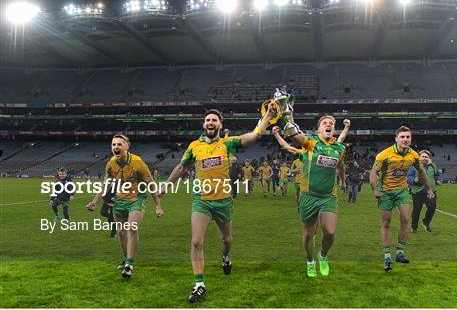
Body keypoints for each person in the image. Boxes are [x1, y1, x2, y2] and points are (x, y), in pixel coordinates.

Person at [163, 108, 274, 302]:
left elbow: (255, 135)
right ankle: (199, 284)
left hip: (223, 201)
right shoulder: (194, 146)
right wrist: (166, 185)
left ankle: (226, 256)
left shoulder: (227, 143)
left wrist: (268, 116)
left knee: (227, 240)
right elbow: (181, 167)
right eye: (207, 120)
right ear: (204, 124)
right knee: (196, 241)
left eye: (214, 120)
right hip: (201, 200)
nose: (210, 122)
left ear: (220, 125)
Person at [86, 135, 164, 278]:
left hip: (137, 199)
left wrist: (158, 206)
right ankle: (126, 259)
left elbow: (151, 184)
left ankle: (129, 264)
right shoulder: (111, 163)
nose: (116, 147)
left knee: (131, 227)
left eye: (119, 144)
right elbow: (106, 184)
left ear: (127, 147)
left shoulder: (137, 162)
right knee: (121, 232)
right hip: (120, 200)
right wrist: (94, 202)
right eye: (113, 144)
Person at [284, 115, 346, 278]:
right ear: (318, 129)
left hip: (328, 196)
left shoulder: (339, 148)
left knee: (330, 232)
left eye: (332, 123)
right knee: (308, 234)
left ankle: (323, 255)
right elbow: (293, 134)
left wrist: (343, 180)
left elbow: (340, 165)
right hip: (308, 196)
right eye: (325, 123)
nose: (329, 125)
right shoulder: (309, 143)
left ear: (334, 129)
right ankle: (310, 260)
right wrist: (287, 116)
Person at [369, 126, 434, 272]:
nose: (405, 139)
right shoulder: (384, 155)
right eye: (402, 137)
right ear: (396, 139)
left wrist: (429, 188)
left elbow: (422, 172)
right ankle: (387, 256)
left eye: (408, 137)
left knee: (406, 219)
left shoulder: (414, 155)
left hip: (402, 191)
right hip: (385, 192)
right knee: (386, 223)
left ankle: (400, 252)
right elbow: (373, 172)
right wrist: (375, 189)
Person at [408, 150, 441, 233]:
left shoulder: (433, 166)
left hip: (431, 192)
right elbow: (409, 176)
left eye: (426, 157)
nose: (424, 158)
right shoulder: (414, 166)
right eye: (422, 156)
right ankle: (414, 227)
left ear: (429, 158)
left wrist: (438, 181)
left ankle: (426, 222)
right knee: (416, 210)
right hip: (418, 192)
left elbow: (437, 175)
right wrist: (413, 180)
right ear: (419, 157)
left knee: (432, 207)